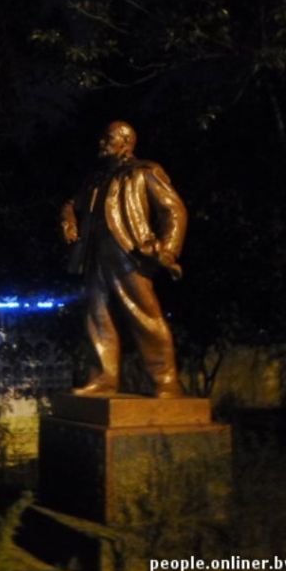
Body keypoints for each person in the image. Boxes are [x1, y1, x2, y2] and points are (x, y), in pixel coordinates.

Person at [60, 121, 187, 398]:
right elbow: (71, 204)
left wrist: (168, 249)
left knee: (144, 315)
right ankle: (104, 378)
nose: (101, 144)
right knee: (97, 316)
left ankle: (166, 381)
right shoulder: (96, 178)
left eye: (108, 139)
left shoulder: (144, 171)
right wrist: (69, 222)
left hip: (128, 253)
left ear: (126, 142)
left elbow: (174, 211)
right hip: (94, 254)